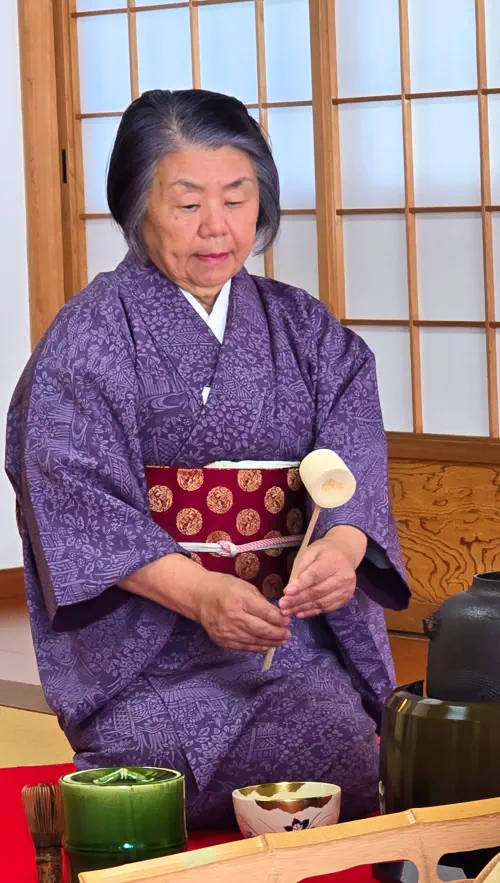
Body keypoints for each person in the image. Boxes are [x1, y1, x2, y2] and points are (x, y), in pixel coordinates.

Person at [6, 89, 409, 828]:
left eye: (238, 196)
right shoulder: (90, 339)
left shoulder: (303, 329)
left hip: (288, 646)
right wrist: (200, 595)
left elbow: (354, 450)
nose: (217, 228)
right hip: (151, 656)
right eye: (186, 202)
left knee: (350, 759)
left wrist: (344, 544)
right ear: (136, 205)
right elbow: (76, 497)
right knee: (148, 780)